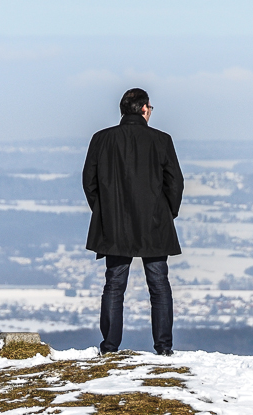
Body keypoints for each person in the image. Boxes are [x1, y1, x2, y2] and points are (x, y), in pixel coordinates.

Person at [82, 88, 184, 355]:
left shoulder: (101, 139)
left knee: (114, 284)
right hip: (154, 223)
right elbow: (175, 183)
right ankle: (164, 348)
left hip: (114, 224)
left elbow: (88, 182)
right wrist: (166, 213)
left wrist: (104, 212)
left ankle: (110, 347)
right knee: (159, 285)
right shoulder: (161, 140)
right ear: (144, 109)